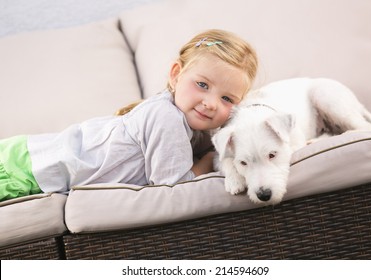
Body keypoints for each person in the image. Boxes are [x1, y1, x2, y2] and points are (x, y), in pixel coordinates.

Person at [0, 29, 258, 201]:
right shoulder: (166, 117)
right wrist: (213, 157)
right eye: (202, 85)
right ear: (176, 74)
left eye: (227, 99)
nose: (211, 103)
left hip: (27, 156)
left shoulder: (191, 121)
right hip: (22, 168)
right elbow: (175, 189)